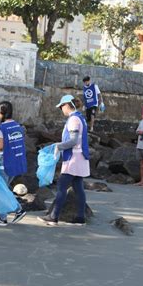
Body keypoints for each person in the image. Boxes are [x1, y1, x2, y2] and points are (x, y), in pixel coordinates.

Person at [37, 95, 90, 226]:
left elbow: (73, 141)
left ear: (67, 105)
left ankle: (53, 217)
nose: (61, 109)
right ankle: (80, 217)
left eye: (61, 106)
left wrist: (58, 146)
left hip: (73, 159)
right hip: (80, 158)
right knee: (78, 188)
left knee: (62, 187)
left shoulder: (73, 120)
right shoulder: (80, 118)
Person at [0, 101, 27, 226]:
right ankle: (5, 216)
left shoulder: (3, 128)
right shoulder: (17, 126)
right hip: (16, 162)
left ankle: (15, 212)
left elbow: (1, 146)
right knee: (4, 189)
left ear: (1, 113)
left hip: (5, 163)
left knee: (1, 190)